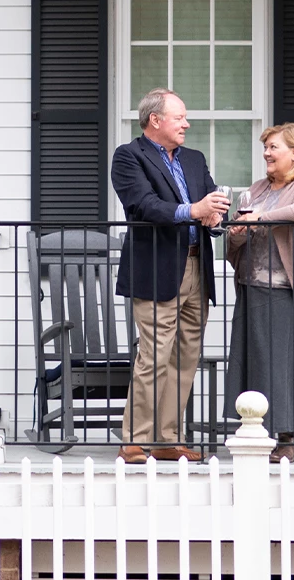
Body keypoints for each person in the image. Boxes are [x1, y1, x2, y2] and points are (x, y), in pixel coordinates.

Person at [111, 88, 229, 463]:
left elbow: (210, 201)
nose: (186, 124)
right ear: (155, 120)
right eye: (180, 118)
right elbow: (144, 205)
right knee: (156, 353)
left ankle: (167, 438)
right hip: (157, 267)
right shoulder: (129, 156)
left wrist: (215, 217)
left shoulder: (194, 159)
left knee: (186, 355)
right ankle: (134, 438)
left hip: (196, 265)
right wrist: (195, 209)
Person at [223, 122, 294, 462]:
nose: (266, 153)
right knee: (255, 362)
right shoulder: (257, 188)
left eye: (273, 147)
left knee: (282, 363)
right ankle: (267, 435)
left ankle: (289, 437)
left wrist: (262, 218)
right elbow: (239, 237)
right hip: (251, 285)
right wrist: (238, 230)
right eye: (265, 148)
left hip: (283, 288)